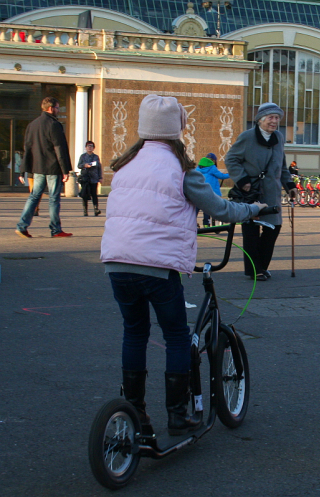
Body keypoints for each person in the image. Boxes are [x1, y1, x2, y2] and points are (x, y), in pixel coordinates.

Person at [101, 94, 265, 435]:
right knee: (176, 335)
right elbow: (221, 209)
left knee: (135, 332)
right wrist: (254, 209)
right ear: (178, 130)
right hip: (157, 267)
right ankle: (177, 415)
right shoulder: (182, 169)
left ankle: (135, 412)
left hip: (117, 262)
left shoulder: (124, 166)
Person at [225, 102, 297, 281]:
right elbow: (231, 159)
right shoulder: (247, 137)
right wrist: (242, 180)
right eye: (271, 118)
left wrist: (290, 186)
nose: (274, 121)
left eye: (277, 118)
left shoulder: (279, 138)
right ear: (260, 120)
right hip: (251, 193)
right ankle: (254, 270)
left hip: (272, 193)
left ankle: (262, 266)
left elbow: (282, 165)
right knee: (251, 232)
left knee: (274, 228)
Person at [15, 96, 73, 238]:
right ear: (51, 108)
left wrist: (24, 169)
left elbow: (27, 148)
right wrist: (65, 170)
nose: (58, 111)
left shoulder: (32, 125)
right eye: (58, 108)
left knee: (34, 196)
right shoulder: (54, 125)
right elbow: (59, 148)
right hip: (53, 167)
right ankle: (56, 230)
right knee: (54, 198)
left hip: (38, 168)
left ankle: (22, 226)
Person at [195, 152, 229, 227]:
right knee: (207, 208)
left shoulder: (198, 168)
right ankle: (206, 224)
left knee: (196, 208)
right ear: (214, 160)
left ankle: (192, 223)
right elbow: (221, 176)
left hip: (199, 191)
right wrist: (231, 174)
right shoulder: (212, 167)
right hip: (210, 191)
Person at [77, 140, 103, 217]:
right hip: (85, 178)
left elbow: (99, 167)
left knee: (94, 194)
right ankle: (85, 211)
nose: (89, 148)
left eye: (91, 146)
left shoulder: (96, 157)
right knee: (85, 194)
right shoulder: (83, 156)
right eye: (88, 146)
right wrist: (85, 165)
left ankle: (96, 209)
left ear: (93, 148)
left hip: (94, 178)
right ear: (86, 147)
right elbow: (79, 165)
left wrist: (100, 177)